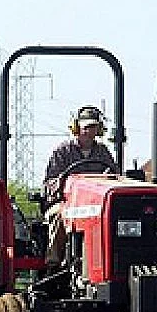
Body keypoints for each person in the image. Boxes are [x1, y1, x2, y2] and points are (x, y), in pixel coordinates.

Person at [42, 105, 119, 267]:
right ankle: (53, 262)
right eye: (86, 127)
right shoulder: (63, 151)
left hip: (95, 205)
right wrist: (64, 183)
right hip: (67, 202)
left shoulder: (103, 152)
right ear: (77, 127)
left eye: (94, 127)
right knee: (59, 215)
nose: (89, 131)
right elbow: (50, 182)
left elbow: (114, 175)